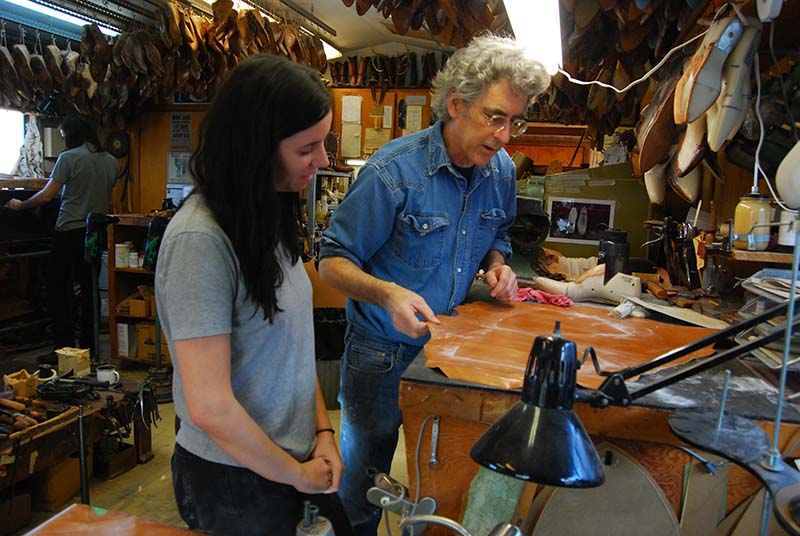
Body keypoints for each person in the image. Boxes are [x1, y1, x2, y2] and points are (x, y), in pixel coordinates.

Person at [318, 34, 551, 534]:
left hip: (451, 350)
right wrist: (388, 292)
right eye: (494, 117)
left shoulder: (501, 171)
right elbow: (331, 261)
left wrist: (496, 265)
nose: (506, 135)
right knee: (363, 489)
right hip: (379, 352)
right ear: (455, 105)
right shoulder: (393, 173)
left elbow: (500, 233)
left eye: (515, 121)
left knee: (441, 482)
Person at [154, 54, 352, 535]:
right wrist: (296, 474)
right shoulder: (200, 241)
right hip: (234, 480)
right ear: (256, 148)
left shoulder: (266, 219)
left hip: (289, 462)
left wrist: (323, 434)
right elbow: (209, 406)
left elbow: (291, 353)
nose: (322, 161)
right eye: (307, 148)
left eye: (323, 143)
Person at [6, 114, 118, 357]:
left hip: (68, 232)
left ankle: (63, 350)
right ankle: (90, 349)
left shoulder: (68, 158)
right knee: (89, 291)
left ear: (73, 135)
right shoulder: (111, 161)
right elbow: (108, 202)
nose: (63, 140)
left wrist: (20, 205)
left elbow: (47, 196)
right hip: (94, 234)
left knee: (58, 289)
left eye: (63, 136)